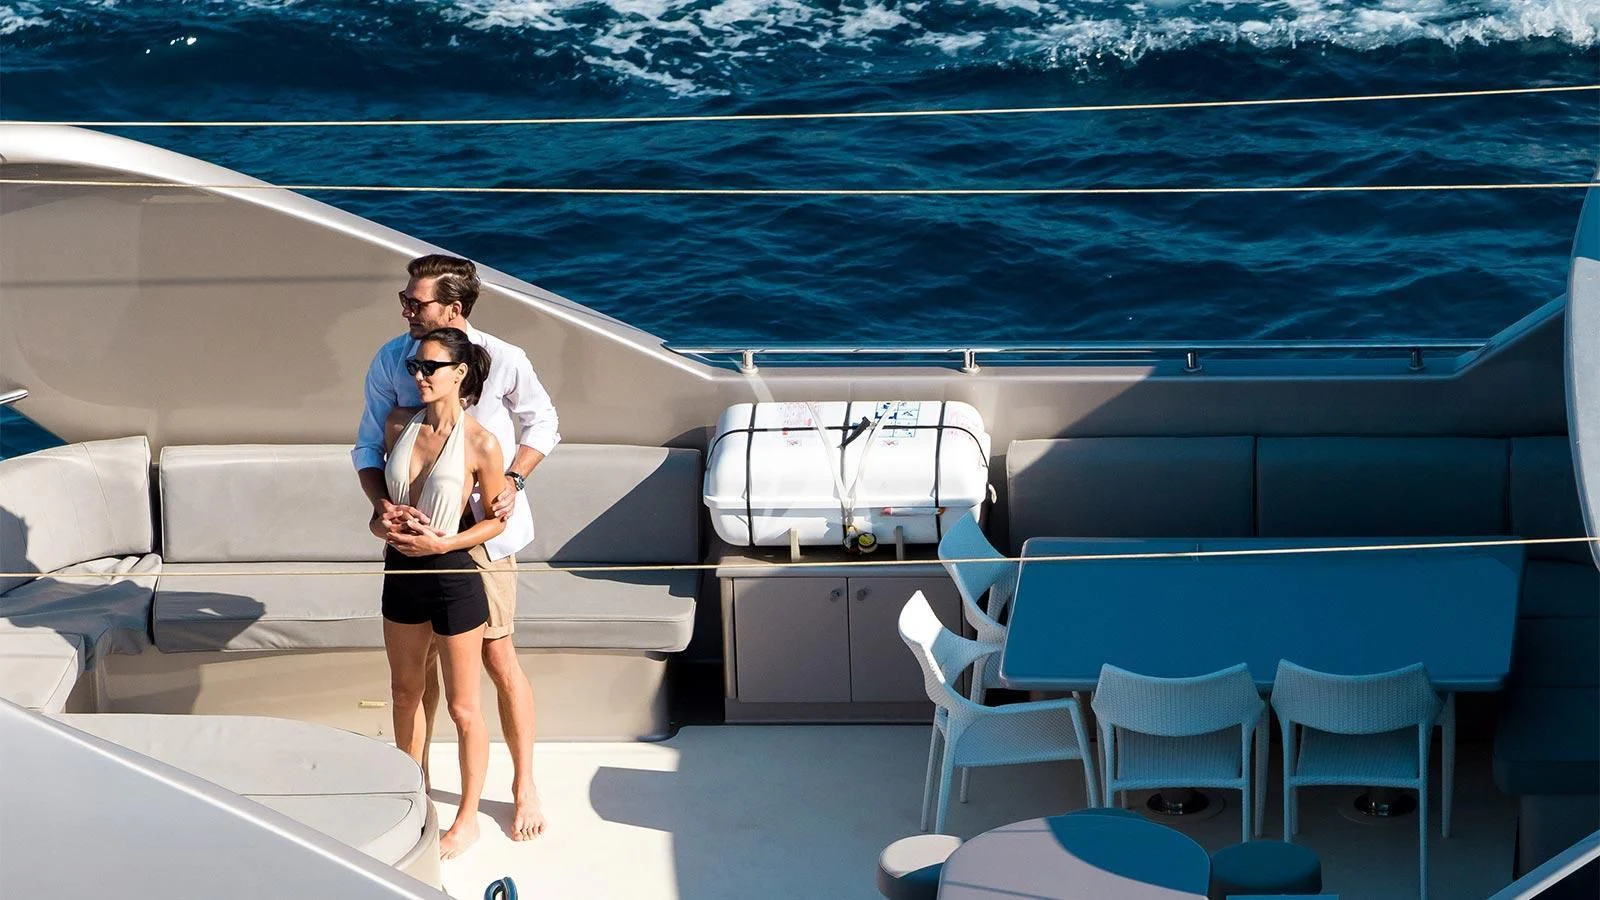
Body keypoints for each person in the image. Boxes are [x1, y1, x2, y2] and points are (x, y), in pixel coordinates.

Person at [354, 254, 559, 842]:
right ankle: (417, 789)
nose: (406, 311)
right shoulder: (392, 360)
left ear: (455, 308)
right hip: (413, 543)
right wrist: (382, 508)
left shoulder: (505, 361)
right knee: (414, 676)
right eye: (404, 299)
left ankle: (522, 785)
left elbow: (544, 424)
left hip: (483, 541)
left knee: (497, 660)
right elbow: (369, 445)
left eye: (416, 303)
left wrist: (512, 484)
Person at [374, 326, 505, 859]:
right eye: (415, 368)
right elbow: (380, 509)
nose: (420, 376)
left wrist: (445, 542)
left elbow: (493, 522)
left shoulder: (482, 443)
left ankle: (468, 818)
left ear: (460, 374)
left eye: (430, 368)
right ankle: (414, 794)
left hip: (454, 576)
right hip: (400, 571)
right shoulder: (397, 425)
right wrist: (384, 523)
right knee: (405, 694)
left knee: (463, 708)